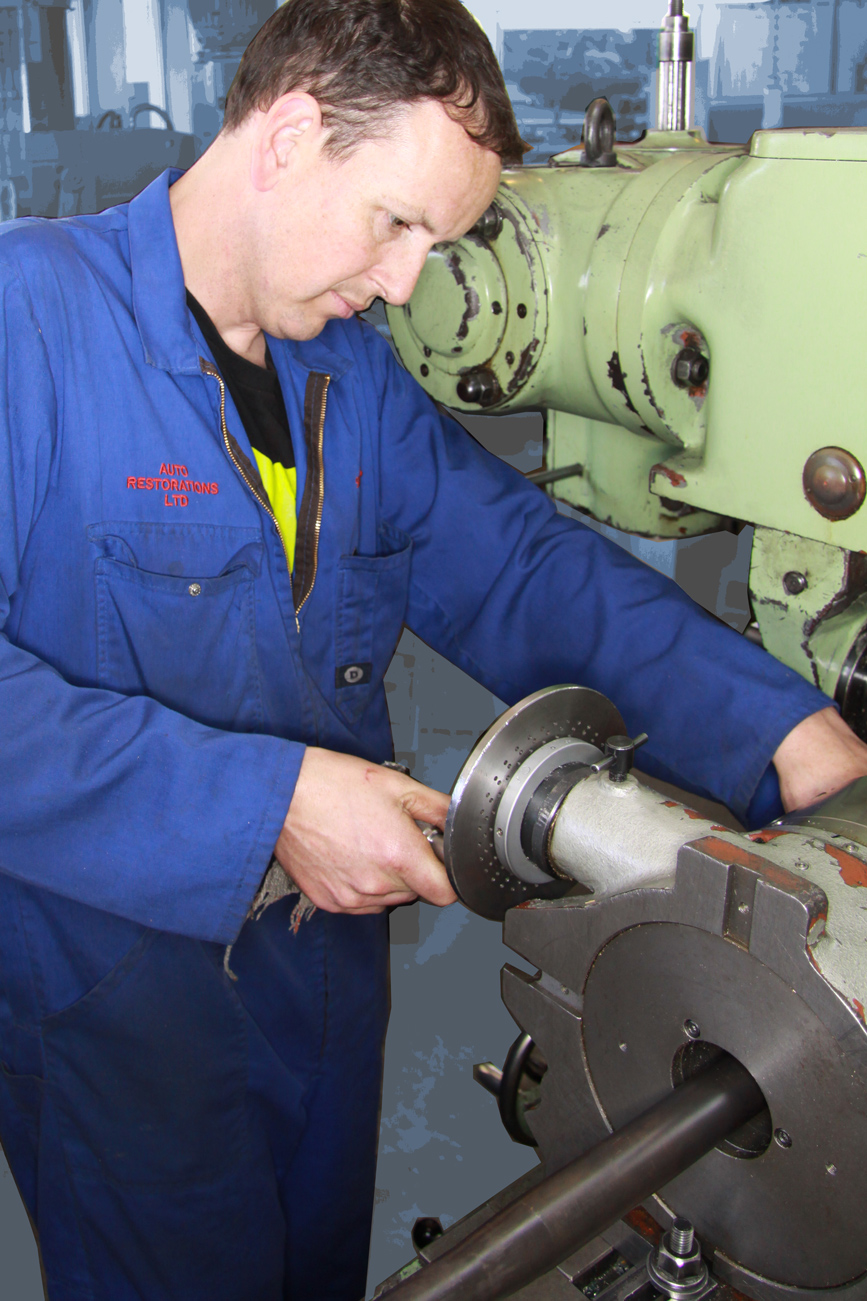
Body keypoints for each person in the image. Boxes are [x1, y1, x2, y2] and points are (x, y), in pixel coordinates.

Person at [0, 1, 864, 1297]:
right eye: (394, 223)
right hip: (121, 1004)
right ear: (290, 138)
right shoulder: (29, 325)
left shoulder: (343, 372)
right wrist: (267, 805)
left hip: (325, 979)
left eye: (437, 244)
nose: (408, 284)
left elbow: (520, 568)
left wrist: (781, 732)